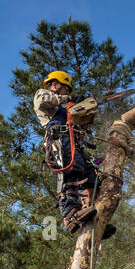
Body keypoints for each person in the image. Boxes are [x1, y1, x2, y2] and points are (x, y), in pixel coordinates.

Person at [33, 70, 114, 236]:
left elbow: (83, 117)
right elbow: (42, 102)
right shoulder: (43, 96)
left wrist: (94, 102)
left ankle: (93, 214)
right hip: (58, 142)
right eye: (66, 90)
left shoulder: (65, 109)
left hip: (74, 143)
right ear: (56, 84)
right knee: (71, 172)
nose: (67, 94)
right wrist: (67, 98)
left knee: (92, 177)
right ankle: (70, 214)